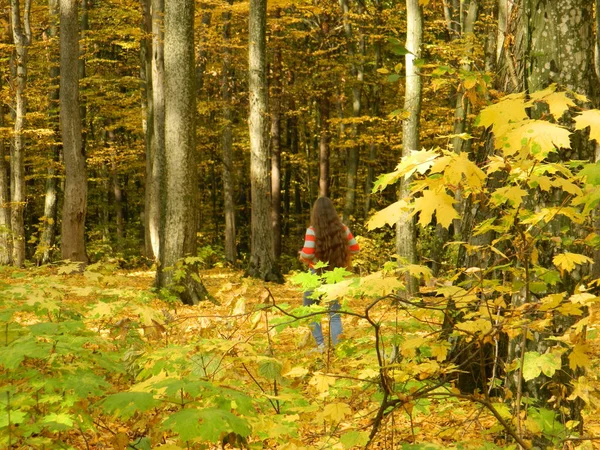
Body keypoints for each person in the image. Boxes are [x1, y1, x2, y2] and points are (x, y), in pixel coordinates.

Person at [298, 196, 360, 351]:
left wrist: (305, 256)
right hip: (335, 275)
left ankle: (321, 345)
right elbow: (355, 249)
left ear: (316, 213)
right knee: (334, 313)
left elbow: (306, 254)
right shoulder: (343, 229)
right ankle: (338, 348)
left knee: (310, 309)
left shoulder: (312, 230)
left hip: (315, 274)